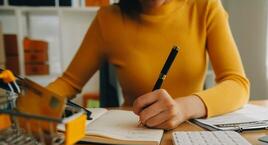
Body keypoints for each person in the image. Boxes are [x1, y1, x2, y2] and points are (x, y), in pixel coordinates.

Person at [47, 0, 250, 130]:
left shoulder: (205, 7)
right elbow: (68, 83)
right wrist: (26, 102)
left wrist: (183, 108)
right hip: (134, 134)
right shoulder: (107, 18)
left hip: (191, 133)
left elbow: (237, 84)